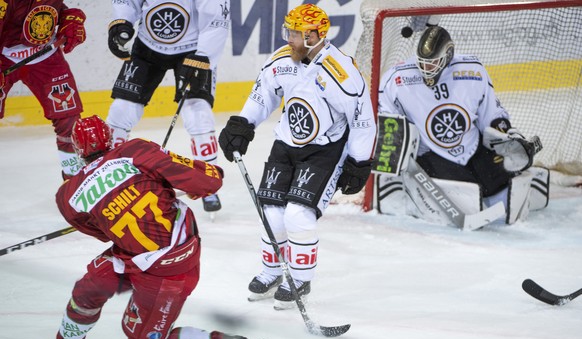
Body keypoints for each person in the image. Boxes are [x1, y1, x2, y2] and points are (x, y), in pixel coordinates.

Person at [20, 116, 265, 339]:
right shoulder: (135, 150)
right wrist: (197, 180)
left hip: (168, 266)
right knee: (90, 287)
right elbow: (210, 180)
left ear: (78, 151)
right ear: (110, 139)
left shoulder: (67, 196)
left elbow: (102, 233)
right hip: (146, 254)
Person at [218, 4, 377, 310]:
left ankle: (300, 279)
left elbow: (362, 121)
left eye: (296, 33)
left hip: (324, 150)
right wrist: (243, 124)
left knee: (297, 215)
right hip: (286, 143)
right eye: (288, 32)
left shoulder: (342, 73)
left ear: (316, 36)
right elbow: (262, 94)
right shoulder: (282, 61)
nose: (289, 38)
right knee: (272, 212)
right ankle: (272, 272)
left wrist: (358, 162)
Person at [376, 25, 548, 225]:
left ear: (448, 55)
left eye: (432, 64)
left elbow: (491, 114)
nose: (426, 70)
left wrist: (506, 135)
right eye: (422, 63)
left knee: (504, 182)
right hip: (432, 154)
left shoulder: (473, 71)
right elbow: (389, 128)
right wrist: (393, 167)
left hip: (472, 148)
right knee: (468, 192)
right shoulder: (395, 80)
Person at [104, 0, 231, 214]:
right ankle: (105, 176)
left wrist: (203, 57)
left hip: (192, 50)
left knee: (197, 112)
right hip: (147, 47)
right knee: (122, 109)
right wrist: (122, 21)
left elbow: (217, 21)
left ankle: (209, 181)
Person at [0, 1, 87, 178]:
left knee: (69, 122)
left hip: (47, 58)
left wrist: (69, 20)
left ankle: (74, 180)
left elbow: (54, 9)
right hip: (4, 59)